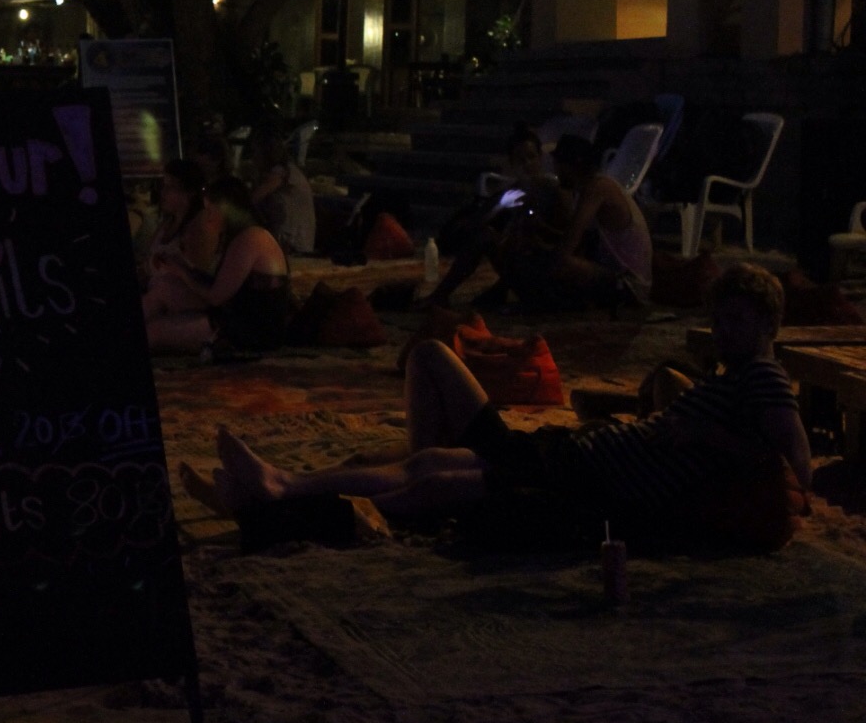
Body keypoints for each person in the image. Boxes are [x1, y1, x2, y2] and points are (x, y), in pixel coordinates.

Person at [182, 264, 810, 545]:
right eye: (719, 319)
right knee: (428, 466)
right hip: (583, 456)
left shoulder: (764, 377)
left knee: (429, 481)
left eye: (735, 321)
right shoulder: (733, 377)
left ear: (766, 325)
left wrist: (703, 438)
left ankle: (278, 502)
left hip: (592, 479)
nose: (721, 332)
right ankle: (282, 488)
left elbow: (797, 471)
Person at [421, 123, 570, 308]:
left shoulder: (554, 190)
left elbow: (567, 239)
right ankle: (443, 295)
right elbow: (472, 226)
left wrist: (537, 227)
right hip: (522, 266)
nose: (527, 165)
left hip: (547, 271)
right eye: (520, 160)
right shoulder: (513, 192)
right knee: (486, 236)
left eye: (531, 157)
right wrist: (499, 206)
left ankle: (498, 291)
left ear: (540, 157)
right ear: (512, 163)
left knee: (501, 239)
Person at [495, 133, 651, 311]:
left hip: (628, 284)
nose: (556, 171)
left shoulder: (597, 188)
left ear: (572, 165)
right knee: (535, 256)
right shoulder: (584, 189)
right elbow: (581, 241)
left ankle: (542, 304)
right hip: (611, 272)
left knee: (557, 264)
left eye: (558, 165)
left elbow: (568, 245)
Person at [145, 177, 294, 353]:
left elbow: (216, 297)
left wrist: (183, 273)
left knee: (153, 331)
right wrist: (181, 268)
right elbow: (223, 284)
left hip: (249, 330)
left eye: (210, 210)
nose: (207, 218)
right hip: (233, 313)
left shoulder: (251, 238)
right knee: (165, 287)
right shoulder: (240, 236)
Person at [140, 160, 219, 299]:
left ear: (190, 192)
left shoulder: (199, 226)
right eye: (163, 186)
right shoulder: (167, 223)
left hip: (181, 301)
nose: (163, 193)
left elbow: (202, 278)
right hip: (155, 295)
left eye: (170, 187)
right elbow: (148, 260)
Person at [249, 130, 316, 256]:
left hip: (293, 243)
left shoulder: (280, 173)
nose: (252, 157)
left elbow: (254, 199)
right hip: (293, 240)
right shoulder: (286, 170)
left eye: (254, 151)